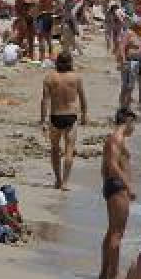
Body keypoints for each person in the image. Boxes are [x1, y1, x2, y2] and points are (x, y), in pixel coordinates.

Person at [39, 51, 88, 190]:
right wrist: (84, 114)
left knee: (55, 149)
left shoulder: (49, 78)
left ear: (57, 62)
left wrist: (42, 121)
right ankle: (65, 182)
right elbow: (82, 97)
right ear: (70, 63)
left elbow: (45, 101)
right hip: (71, 116)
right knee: (69, 150)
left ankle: (58, 180)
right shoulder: (76, 78)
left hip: (55, 116)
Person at [100, 107, 137, 279]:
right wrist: (128, 186)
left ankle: (105, 271)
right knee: (117, 232)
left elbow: (104, 168)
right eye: (134, 124)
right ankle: (112, 273)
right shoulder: (116, 138)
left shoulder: (115, 139)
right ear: (128, 121)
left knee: (112, 231)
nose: (134, 128)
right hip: (118, 187)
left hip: (113, 186)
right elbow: (113, 166)